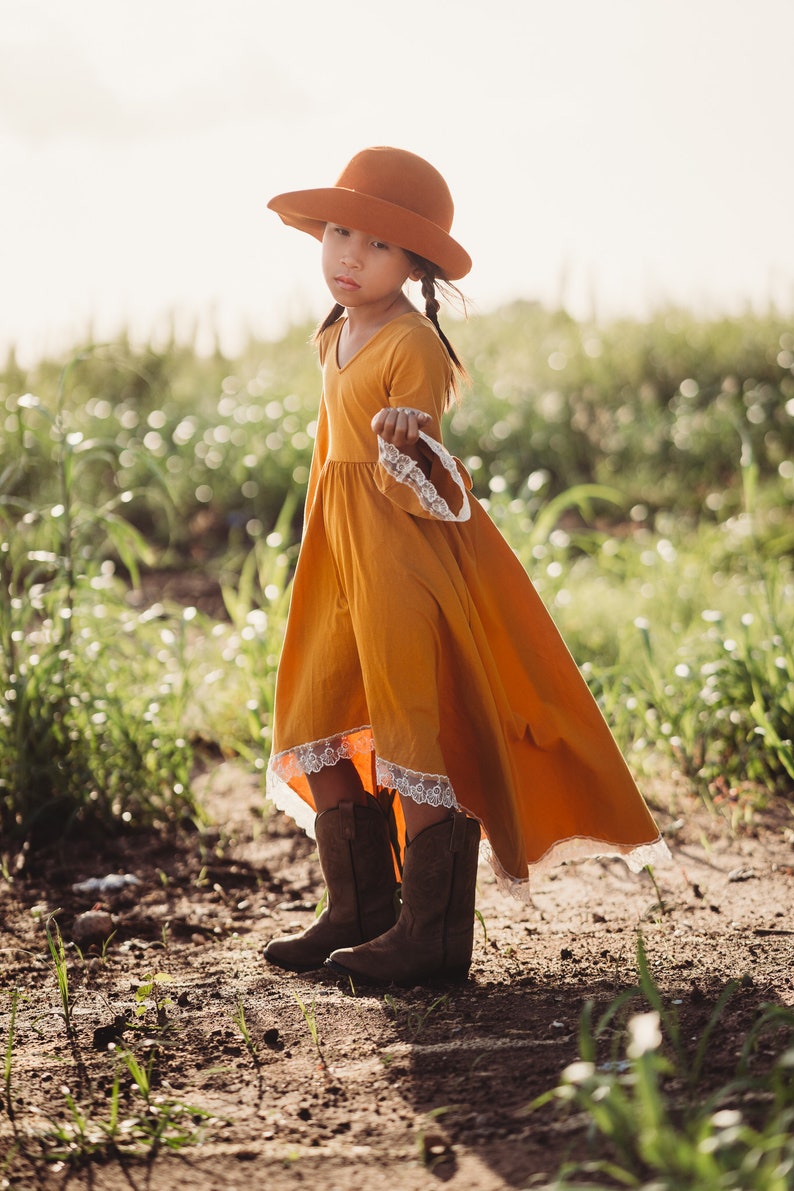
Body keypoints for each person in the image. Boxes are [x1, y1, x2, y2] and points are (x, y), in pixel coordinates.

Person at [262, 146, 669, 987]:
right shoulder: (336, 333)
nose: (349, 255)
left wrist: (410, 433)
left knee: (415, 726)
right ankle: (360, 906)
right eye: (339, 233)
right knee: (317, 712)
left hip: (403, 559)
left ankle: (432, 935)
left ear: (416, 266)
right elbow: (329, 460)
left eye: (376, 244)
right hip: (339, 555)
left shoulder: (413, 343)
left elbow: (430, 458)